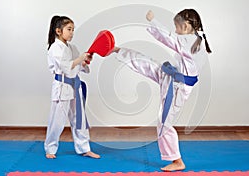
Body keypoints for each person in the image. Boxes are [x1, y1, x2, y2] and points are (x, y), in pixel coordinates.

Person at [111, 9, 211, 171]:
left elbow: (169, 39)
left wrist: (153, 21)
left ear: (185, 26)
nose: (176, 31)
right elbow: (174, 41)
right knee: (149, 64)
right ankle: (119, 51)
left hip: (178, 87)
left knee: (164, 122)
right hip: (174, 77)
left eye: (177, 28)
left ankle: (177, 161)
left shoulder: (191, 42)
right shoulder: (193, 40)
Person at [44, 15, 100, 159]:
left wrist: (85, 61)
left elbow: (79, 66)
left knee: (79, 119)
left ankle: (84, 148)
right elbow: (66, 67)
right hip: (62, 87)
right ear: (58, 31)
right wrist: (80, 59)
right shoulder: (55, 48)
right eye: (69, 29)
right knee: (57, 121)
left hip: (75, 86)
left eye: (73, 30)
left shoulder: (72, 47)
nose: (72, 33)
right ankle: (50, 148)